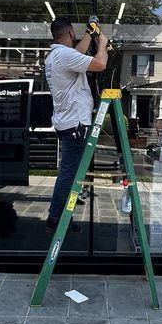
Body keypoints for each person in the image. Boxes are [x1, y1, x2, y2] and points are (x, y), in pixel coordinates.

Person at [44, 16, 108, 232]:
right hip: (75, 126)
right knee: (69, 174)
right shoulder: (63, 55)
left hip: (68, 123)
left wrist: (90, 33)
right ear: (71, 33)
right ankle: (55, 219)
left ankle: (61, 218)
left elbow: (77, 54)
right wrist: (102, 44)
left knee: (68, 173)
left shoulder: (55, 56)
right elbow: (99, 64)